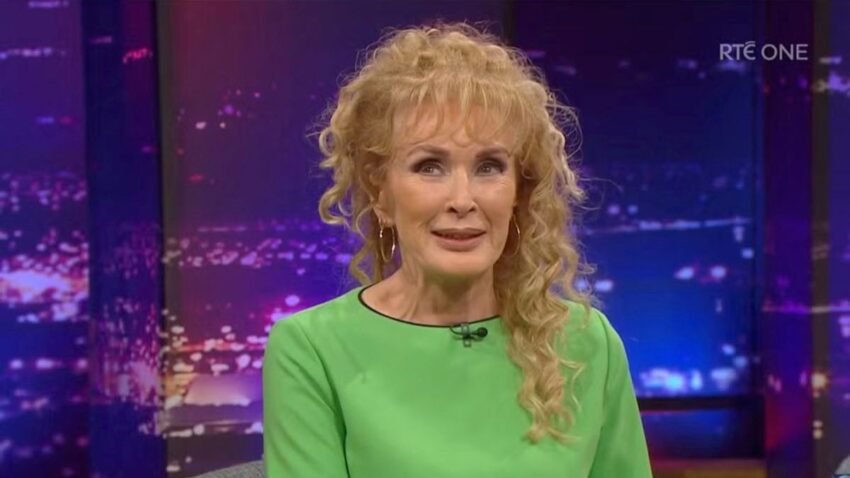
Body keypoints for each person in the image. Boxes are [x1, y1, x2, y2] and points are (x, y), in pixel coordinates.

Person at [263, 21, 652, 478]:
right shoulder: (312, 350)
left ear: (519, 192)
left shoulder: (585, 343)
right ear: (381, 192)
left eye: (489, 167)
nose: (463, 199)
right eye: (430, 166)